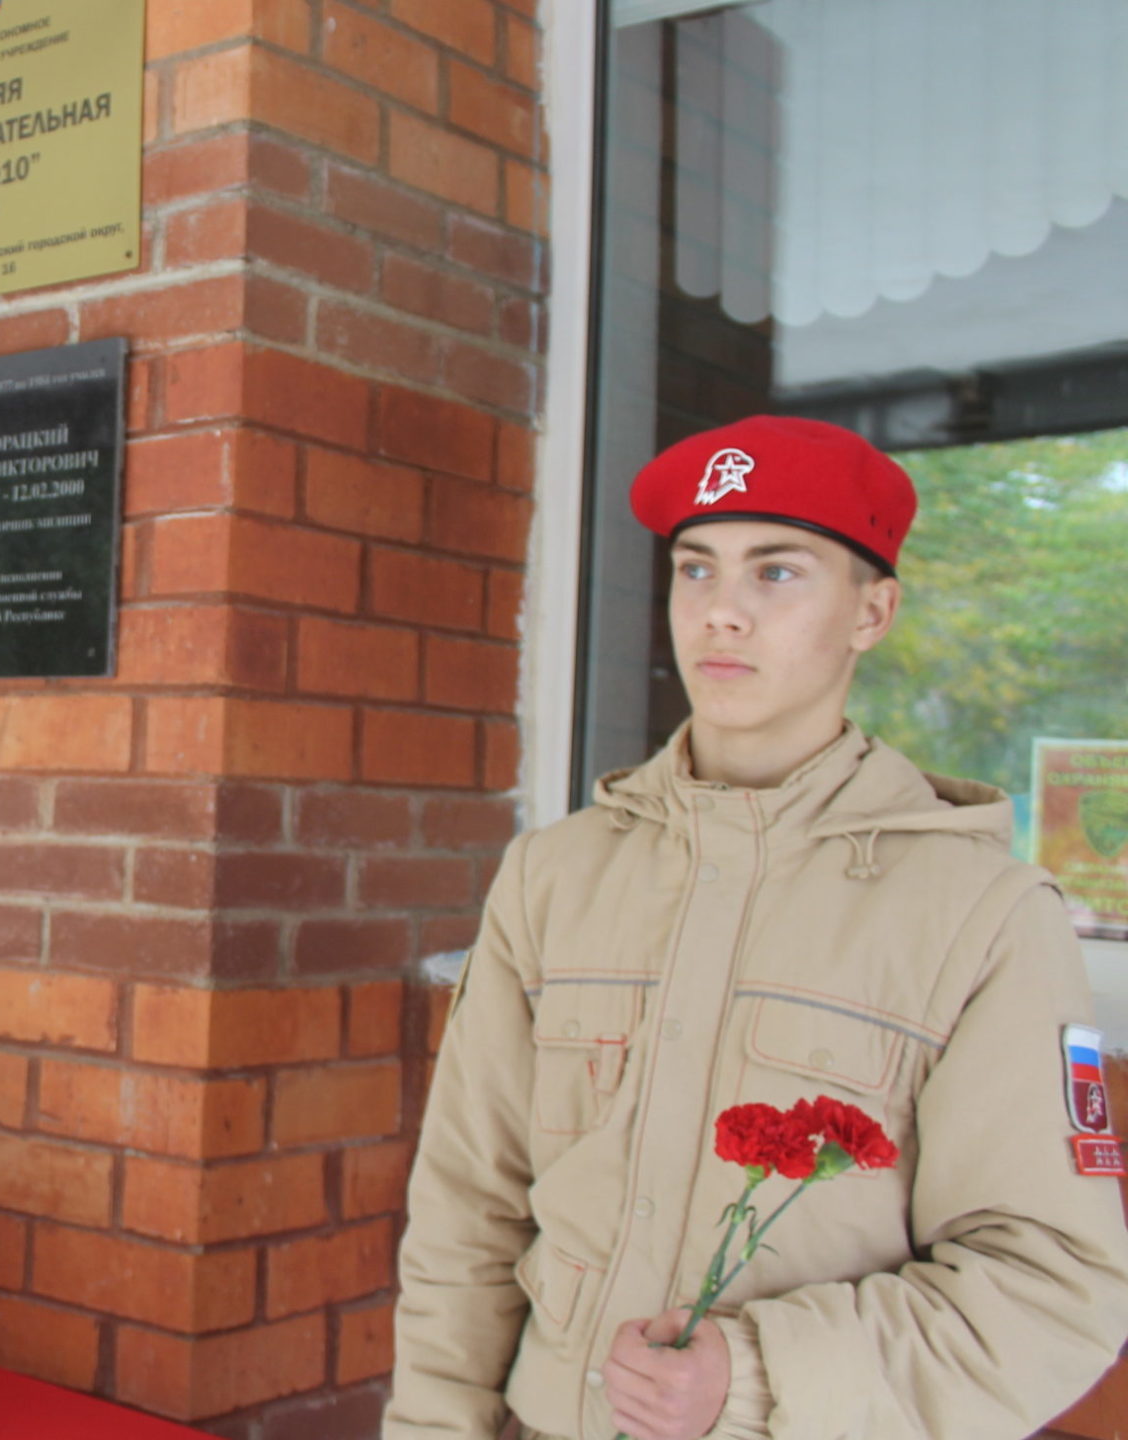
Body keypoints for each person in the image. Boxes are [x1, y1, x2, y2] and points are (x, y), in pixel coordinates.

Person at [386, 416, 1128, 1440]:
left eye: (775, 574)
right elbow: (468, 1215)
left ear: (872, 612)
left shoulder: (981, 914)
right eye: (696, 571)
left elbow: (1052, 1287)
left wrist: (754, 1375)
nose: (720, 613)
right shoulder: (553, 876)